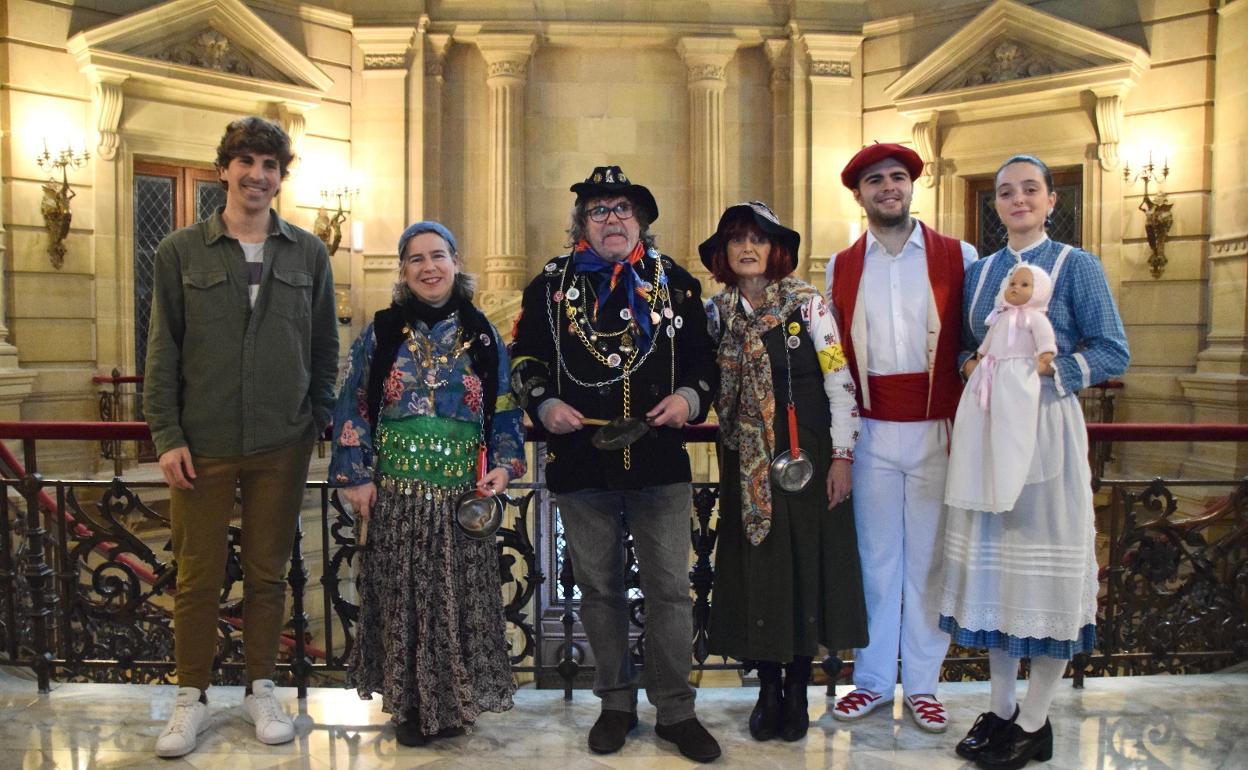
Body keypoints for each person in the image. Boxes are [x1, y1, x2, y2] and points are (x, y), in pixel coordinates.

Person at [509, 165, 721, 762]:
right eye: (598, 210)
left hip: (659, 464)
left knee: (670, 592)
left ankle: (676, 712)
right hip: (581, 466)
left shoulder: (676, 284)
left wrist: (690, 399)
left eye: (622, 209)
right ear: (582, 223)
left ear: (641, 221)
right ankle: (616, 705)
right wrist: (543, 402)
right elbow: (523, 358)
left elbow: (705, 362)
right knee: (599, 591)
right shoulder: (550, 286)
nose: (612, 219)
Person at [144, 116, 338, 758]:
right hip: (202, 444)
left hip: (281, 445)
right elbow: (163, 350)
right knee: (196, 577)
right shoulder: (180, 251)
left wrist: (316, 415)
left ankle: (261, 687)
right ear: (224, 168)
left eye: (270, 165)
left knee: (267, 574)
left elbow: (324, 345)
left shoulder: (308, 252)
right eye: (246, 161)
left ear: (281, 177)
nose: (258, 175)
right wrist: (167, 434)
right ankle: (191, 697)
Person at [941, 155, 1128, 769]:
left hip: (1046, 428)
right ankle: (1000, 711)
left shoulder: (1078, 265)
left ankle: (1035, 720)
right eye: (1005, 192)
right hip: (988, 432)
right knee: (996, 577)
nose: (1017, 199)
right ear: (996, 204)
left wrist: (1049, 372)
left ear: (1051, 200)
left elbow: (1113, 350)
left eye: (1030, 189)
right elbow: (966, 344)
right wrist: (972, 365)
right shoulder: (982, 271)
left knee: (1043, 579)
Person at [328, 220, 526, 745]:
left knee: (456, 598)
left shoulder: (483, 335)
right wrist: (356, 475)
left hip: (463, 496)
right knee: (406, 600)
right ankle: (411, 707)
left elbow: (505, 405)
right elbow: (354, 402)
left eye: (438, 255)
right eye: (416, 258)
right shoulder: (381, 333)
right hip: (398, 493)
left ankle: (453, 703)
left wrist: (505, 464)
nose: (429, 267)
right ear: (403, 271)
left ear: (456, 263)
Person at [824, 143, 977, 733]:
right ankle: (869, 681)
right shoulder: (841, 265)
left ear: (912, 185)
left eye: (896, 177)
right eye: (874, 181)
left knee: (930, 562)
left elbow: (974, 340)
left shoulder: (958, 255)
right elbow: (835, 356)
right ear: (858, 194)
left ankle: (923, 686)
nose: (887, 187)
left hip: (938, 429)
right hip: (870, 432)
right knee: (876, 560)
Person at [702, 201, 868, 743]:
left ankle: (797, 686)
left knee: (801, 568)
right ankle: (767, 687)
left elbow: (840, 382)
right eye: (737, 240)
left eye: (759, 239)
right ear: (725, 253)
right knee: (760, 571)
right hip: (746, 462)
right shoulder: (716, 314)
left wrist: (842, 456)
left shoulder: (809, 305)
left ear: (776, 250)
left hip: (805, 461)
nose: (748, 248)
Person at [945, 263, 1057, 514]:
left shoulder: (1034, 318)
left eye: (1025, 285)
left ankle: (1012, 476)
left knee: (1013, 424)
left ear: (1039, 290)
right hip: (991, 371)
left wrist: (1044, 356)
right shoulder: (1000, 316)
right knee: (981, 428)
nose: (1016, 288)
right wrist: (980, 356)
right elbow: (989, 341)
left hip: (1017, 374)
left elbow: (1045, 341)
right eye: (1012, 284)